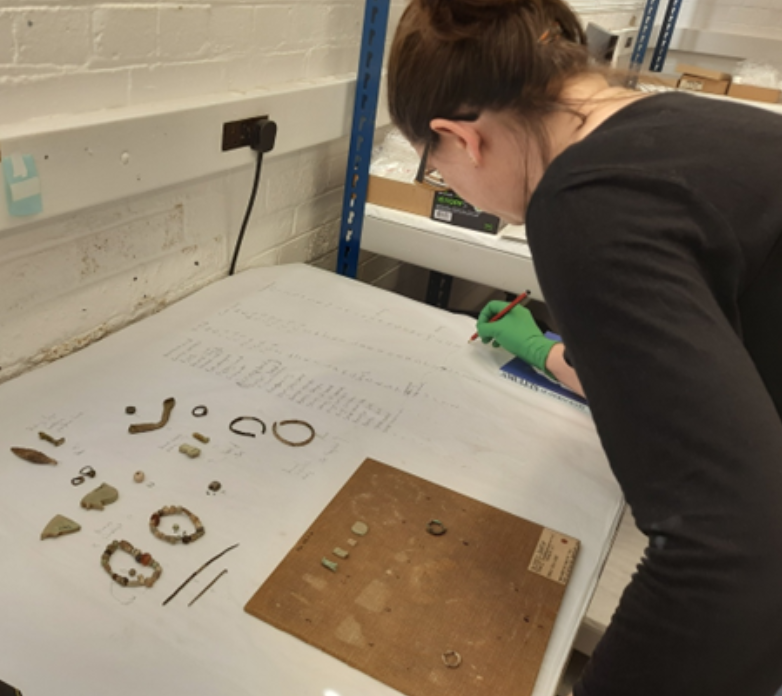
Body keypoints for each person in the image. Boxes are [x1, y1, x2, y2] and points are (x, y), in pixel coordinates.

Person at [387, 2, 782, 696]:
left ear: (458, 138)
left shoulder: (581, 204)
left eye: (438, 168)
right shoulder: (687, 125)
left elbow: (730, 551)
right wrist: (547, 354)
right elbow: (696, 372)